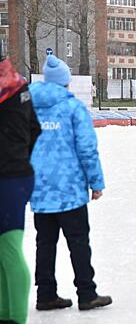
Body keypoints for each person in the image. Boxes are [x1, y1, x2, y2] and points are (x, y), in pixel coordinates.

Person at [29, 55, 112, 311]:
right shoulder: (73, 108)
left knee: (44, 244)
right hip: (70, 191)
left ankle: (45, 294)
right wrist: (96, 183)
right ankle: (86, 294)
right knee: (78, 242)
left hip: (40, 190)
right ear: (65, 82)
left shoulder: (27, 107)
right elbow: (87, 149)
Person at [0, 58, 41, 324]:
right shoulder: (19, 87)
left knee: (8, 246)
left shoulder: (9, 91)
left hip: (9, 178)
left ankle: (15, 316)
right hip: (17, 174)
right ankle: (6, 313)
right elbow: (34, 130)